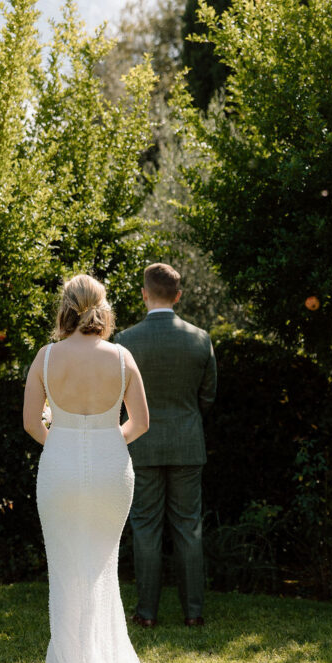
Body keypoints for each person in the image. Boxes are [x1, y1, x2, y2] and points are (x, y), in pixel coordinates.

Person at [23, 274, 175, 663]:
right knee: (101, 566)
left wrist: (66, 444)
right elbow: (141, 423)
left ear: (65, 309)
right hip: (112, 473)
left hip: (61, 468)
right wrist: (107, 445)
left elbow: (33, 423)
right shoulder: (122, 356)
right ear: (101, 309)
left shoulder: (47, 357)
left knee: (68, 565)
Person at [115, 263, 217, 629]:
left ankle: (146, 613)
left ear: (145, 294)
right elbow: (208, 396)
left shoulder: (125, 341)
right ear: (177, 295)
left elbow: (115, 398)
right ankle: (193, 612)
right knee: (189, 527)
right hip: (187, 443)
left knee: (145, 527)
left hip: (140, 444)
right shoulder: (200, 338)